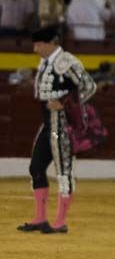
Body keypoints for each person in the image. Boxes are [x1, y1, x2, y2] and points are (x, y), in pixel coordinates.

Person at [18, 26, 96, 234]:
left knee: (63, 172)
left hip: (64, 123)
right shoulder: (45, 62)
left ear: (51, 43)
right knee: (36, 167)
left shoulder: (67, 61)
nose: (35, 49)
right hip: (48, 121)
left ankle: (60, 222)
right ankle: (40, 218)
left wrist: (63, 101)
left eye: (38, 44)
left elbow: (89, 86)